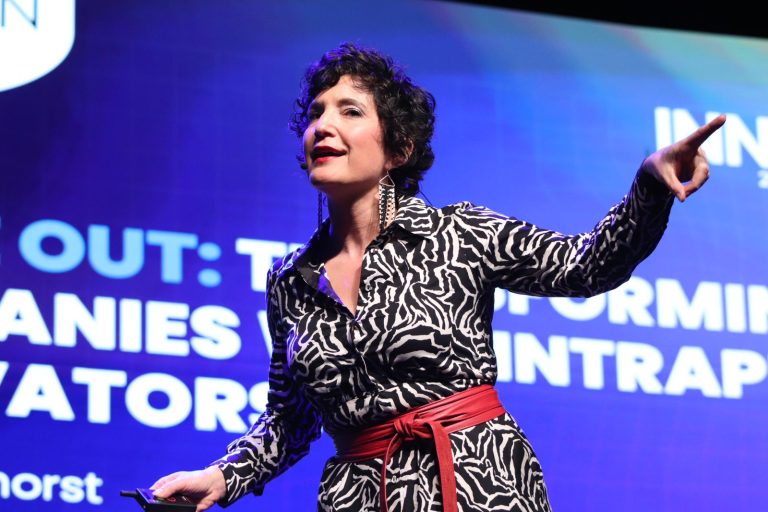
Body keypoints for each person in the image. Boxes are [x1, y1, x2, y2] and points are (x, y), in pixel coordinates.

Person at [150, 42, 725, 512]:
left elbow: (586, 265)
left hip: (479, 486)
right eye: (317, 112)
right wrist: (221, 476)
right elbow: (290, 419)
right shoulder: (288, 281)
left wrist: (650, 185)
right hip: (357, 499)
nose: (323, 125)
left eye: (350, 111)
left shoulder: (459, 234)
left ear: (398, 149)